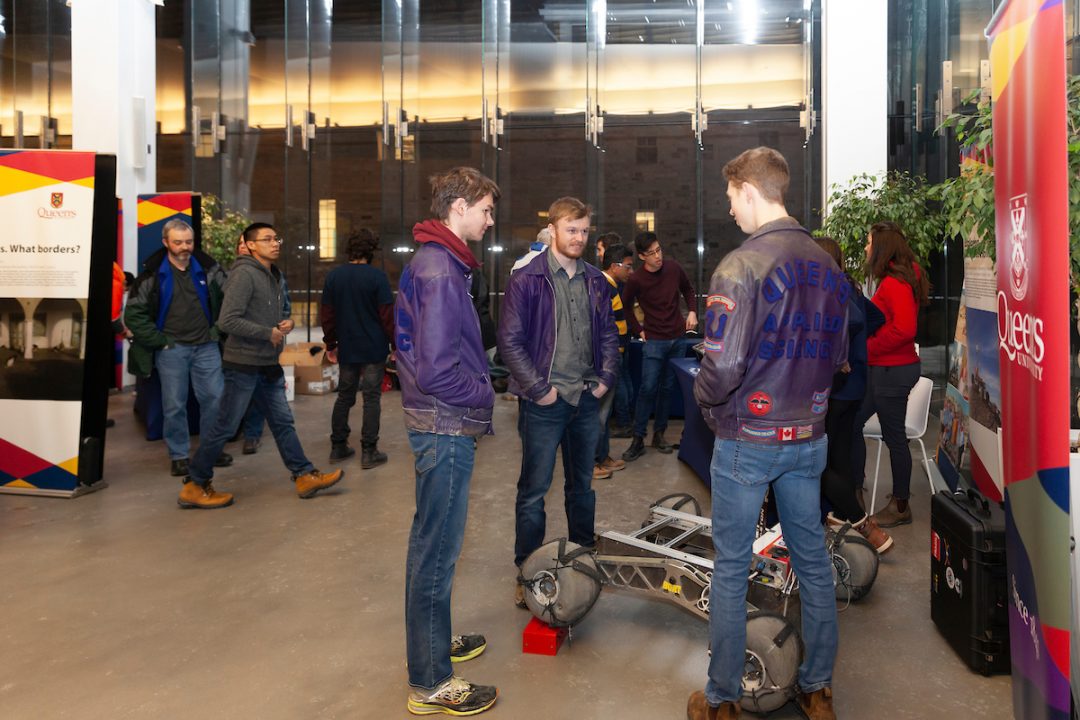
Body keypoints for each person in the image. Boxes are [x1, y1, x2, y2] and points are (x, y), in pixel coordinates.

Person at [688, 147, 848, 720]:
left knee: (731, 567)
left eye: (732, 196)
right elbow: (838, 357)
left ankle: (722, 700)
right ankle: (817, 688)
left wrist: (705, 403)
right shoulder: (830, 267)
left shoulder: (740, 266)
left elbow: (721, 370)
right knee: (812, 560)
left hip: (748, 437)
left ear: (750, 191)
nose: (730, 209)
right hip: (809, 434)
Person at [397, 167, 500, 716]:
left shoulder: (440, 263)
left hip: (439, 421)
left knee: (431, 545)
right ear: (458, 207)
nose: (489, 220)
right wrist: (485, 395)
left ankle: (432, 644)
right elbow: (438, 371)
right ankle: (432, 680)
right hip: (445, 423)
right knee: (435, 551)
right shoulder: (440, 269)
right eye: (484, 210)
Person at [497, 196, 619, 606]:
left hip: (586, 398)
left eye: (585, 230)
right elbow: (509, 343)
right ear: (552, 231)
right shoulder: (526, 279)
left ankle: (584, 558)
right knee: (533, 492)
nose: (579, 237)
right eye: (571, 229)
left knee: (581, 488)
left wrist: (604, 380)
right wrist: (539, 389)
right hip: (543, 403)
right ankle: (527, 572)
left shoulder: (597, 281)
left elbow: (608, 336)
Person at [178, 223, 344, 509]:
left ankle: (304, 475)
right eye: (267, 239)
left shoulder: (271, 274)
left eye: (276, 238)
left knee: (282, 422)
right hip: (243, 364)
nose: (275, 243)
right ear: (250, 245)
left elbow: (271, 314)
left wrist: (286, 322)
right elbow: (227, 321)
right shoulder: (244, 274)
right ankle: (195, 483)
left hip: (266, 363)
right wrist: (266, 333)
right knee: (225, 426)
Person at [125, 219, 231, 476]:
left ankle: (209, 450)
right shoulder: (151, 275)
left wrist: (217, 331)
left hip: (206, 347)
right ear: (165, 243)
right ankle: (179, 455)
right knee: (174, 405)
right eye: (178, 242)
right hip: (171, 350)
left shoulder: (210, 270)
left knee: (215, 399)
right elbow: (134, 315)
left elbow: (231, 302)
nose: (184, 247)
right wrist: (160, 341)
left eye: (188, 242)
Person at [813, 237, 892, 554]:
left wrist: (840, 351)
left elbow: (858, 321)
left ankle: (859, 520)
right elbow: (876, 318)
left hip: (838, 388)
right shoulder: (852, 286)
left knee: (817, 461)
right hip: (856, 386)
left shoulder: (833, 288)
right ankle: (838, 516)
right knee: (840, 455)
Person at [854, 221, 928, 528]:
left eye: (870, 243)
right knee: (854, 422)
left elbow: (904, 329)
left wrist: (867, 348)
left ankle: (900, 506)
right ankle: (855, 489)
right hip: (889, 369)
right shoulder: (904, 276)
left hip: (891, 371)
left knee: (895, 437)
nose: (867, 248)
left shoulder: (895, 283)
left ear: (882, 247)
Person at [621, 230, 698, 461]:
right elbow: (625, 308)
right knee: (647, 389)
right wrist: (639, 330)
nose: (658, 256)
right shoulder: (636, 280)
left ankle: (660, 435)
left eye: (659, 250)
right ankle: (638, 439)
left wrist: (692, 310)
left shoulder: (673, 268)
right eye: (652, 253)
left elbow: (688, 290)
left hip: (677, 339)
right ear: (642, 257)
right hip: (653, 340)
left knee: (667, 389)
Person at [321, 229, 394, 468]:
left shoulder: (334, 277)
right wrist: (395, 344)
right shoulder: (377, 277)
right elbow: (386, 316)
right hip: (374, 346)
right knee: (371, 398)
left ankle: (338, 446)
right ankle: (369, 451)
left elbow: (328, 315)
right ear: (371, 250)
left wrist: (331, 343)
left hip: (348, 346)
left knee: (345, 396)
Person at [237, 235, 292, 455]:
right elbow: (226, 317)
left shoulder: (275, 276)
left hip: (267, 350)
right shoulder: (230, 275)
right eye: (240, 244)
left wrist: (286, 323)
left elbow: (285, 306)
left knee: (277, 410)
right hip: (238, 350)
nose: (244, 248)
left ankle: (252, 434)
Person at [593, 242, 633, 479]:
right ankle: (590, 462)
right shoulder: (602, 287)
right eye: (627, 266)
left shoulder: (612, 286)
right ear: (614, 266)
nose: (630, 271)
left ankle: (602, 456)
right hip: (605, 361)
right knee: (597, 414)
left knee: (605, 414)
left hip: (613, 358)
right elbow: (602, 327)